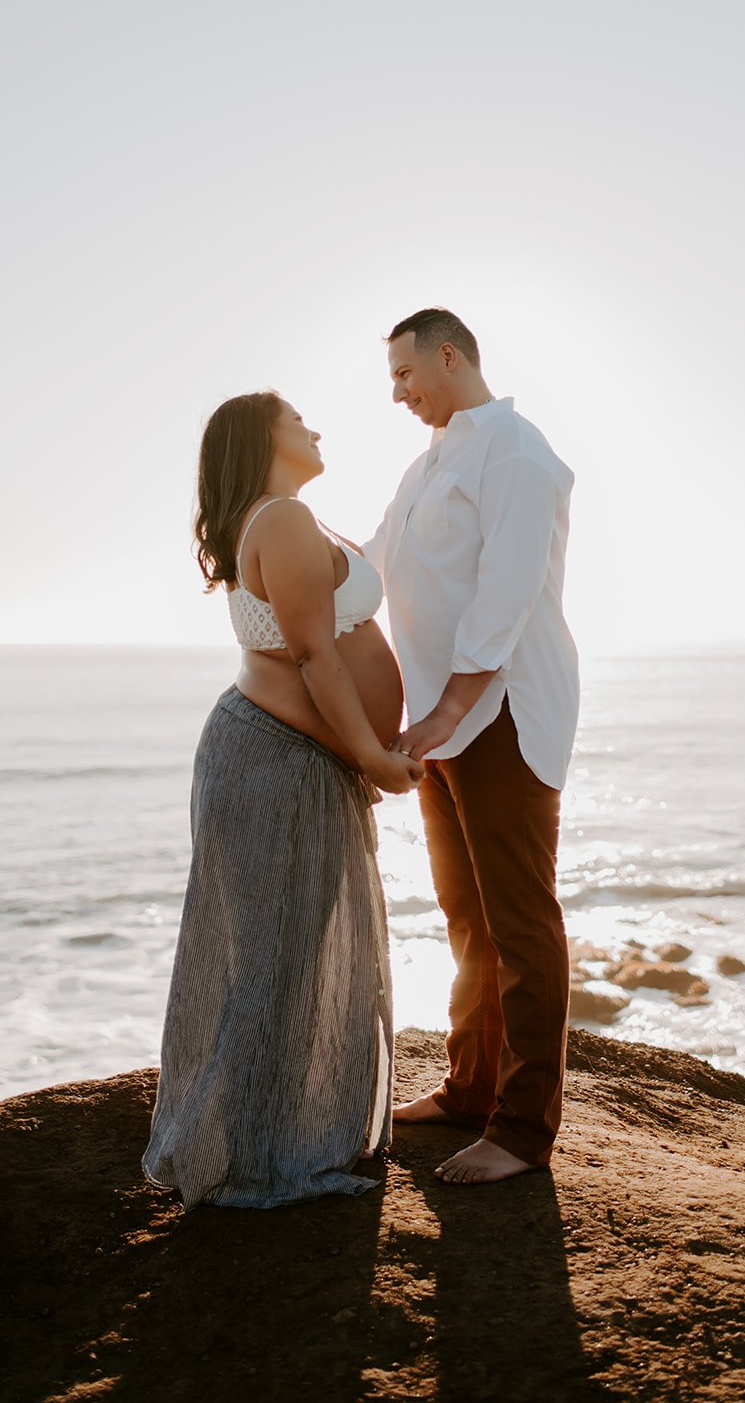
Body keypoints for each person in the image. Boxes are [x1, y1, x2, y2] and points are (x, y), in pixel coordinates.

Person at [143, 390, 423, 1209]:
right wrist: (372, 754)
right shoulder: (285, 522)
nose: (314, 427)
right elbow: (311, 655)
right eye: (297, 418)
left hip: (289, 758)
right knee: (273, 958)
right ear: (262, 437)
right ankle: (256, 1157)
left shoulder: (290, 518)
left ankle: (274, 1138)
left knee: (286, 951)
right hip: (276, 760)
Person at [363, 309, 579, 1185]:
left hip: (501, 715)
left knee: (521, 924)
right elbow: (371, 563)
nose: (398, 393)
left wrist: (449, 708)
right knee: (465, 919)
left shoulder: (516, 452)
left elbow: (507, 592)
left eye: (405, 374)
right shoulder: (429, 462)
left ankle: (523, 1133)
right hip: (441, 722)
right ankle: (468, 1088)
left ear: (448, 356)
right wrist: (274, 530)